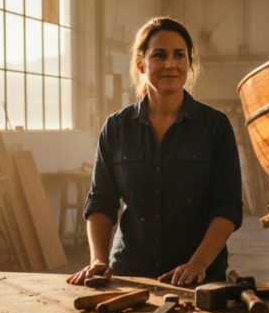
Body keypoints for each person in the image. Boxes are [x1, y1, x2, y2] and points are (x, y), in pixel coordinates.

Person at [67, 17, 243, 287]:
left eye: (179, 56)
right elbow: (101, 201)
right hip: (129, 274)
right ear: (141, 64)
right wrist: (98, 260)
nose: (170, 64)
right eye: (159, 55)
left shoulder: (215, 127)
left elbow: (227, 207)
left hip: (198, 279)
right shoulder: (116, 128)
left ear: (189, 64)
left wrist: (198, 262)